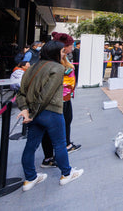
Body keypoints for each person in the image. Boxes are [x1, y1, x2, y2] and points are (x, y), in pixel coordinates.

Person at [16, 41, 83, 191]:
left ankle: (30, 178)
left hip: (33, 114)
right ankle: (66, 174)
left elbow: (21, 93)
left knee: (30, 146)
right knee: (60, 144)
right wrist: (34, 111)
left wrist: (26, 110)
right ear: (54, 53)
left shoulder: (31, 67)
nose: (64, 54)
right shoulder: (57, 68)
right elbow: (46, 95)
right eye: (62, 52)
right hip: (50, 112)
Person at [41, 33, 81, 169]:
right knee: (53, 128)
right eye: (71, 45)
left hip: (65, 98)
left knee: (66, 120)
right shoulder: (51, 62)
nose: (73, 48)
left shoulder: (63, 59)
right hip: (55, 100)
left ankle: (65, 146)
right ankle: (51, 159)